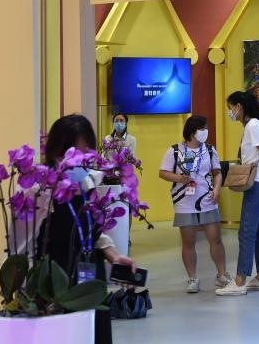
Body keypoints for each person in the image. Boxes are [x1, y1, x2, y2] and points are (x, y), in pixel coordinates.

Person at [41, 114, 137, 344]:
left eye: (86, 153)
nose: (79, 161)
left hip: (91, 279)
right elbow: (23, 246)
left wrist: (113, 255)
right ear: (55, 152)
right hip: (56, 284)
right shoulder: (40, 191)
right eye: (72, 153)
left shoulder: (87, 184)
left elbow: (93, 229)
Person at [158, 114, 231, 294]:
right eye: (202, 128)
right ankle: (192, 278)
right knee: (188, 241)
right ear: (192, 131)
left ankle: (222, 275)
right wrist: (179, 178)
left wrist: (217, 189)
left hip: (208, 199)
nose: (206, 131)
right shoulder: (175, 150)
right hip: (184, 202)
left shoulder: (210, 150)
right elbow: (163, 172)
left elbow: (217, 172)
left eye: (206, 128)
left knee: (215, 239)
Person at [216, 91, 259, 296]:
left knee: (246, 231)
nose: (230, 112)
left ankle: (240, 280)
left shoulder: (253, 126)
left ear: (239, 106)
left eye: (231, 107)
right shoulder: (252, 126)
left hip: (256, 183)